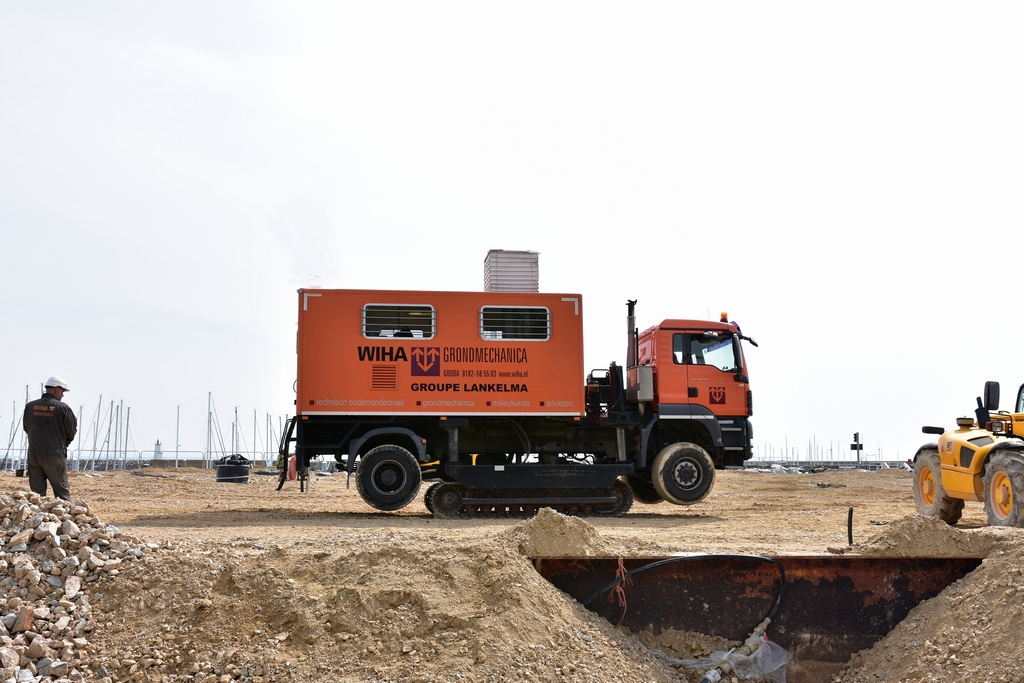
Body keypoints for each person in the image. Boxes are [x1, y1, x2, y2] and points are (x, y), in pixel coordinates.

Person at [23, 377, 77, 501]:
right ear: (57, 390)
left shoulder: (30, 406)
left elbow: (26, 428)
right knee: (61, 492)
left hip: (34, 454)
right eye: (62, 392)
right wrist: (64, 443)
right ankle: (65, 518)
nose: (63, 395)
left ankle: (37, 518)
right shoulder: (63, 408)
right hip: (55, 454)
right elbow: (71, 432)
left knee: (36, 495)